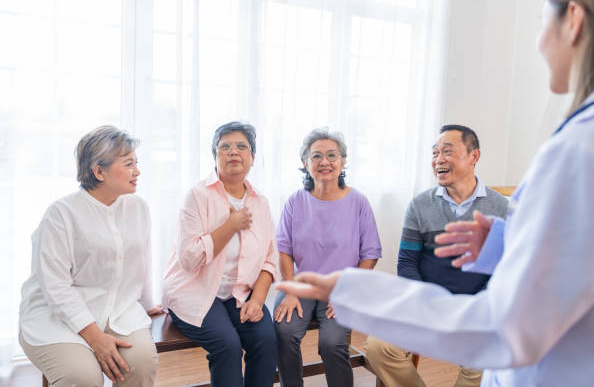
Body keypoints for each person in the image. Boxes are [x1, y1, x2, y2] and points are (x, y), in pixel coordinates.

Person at [277, 0, 594, 385]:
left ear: (573, 19)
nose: (539, 43)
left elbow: (505, 327)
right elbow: (581, 255)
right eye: (434, 151)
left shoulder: (583, 150)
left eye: (542, 19)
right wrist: (503, 244)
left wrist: (353, 290)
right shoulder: (590, 140)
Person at [366, 125, 508, 387]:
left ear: (474, 156)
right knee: (378, 347)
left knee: (485, 361)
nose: (438, 160)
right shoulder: (420, 204)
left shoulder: (502, 208)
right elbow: (407, 262)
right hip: (426, 306)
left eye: (447, 152)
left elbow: (505, 272)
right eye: (434, 153)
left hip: (474, 310)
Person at [19, 125, 159, 387]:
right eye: (129, 164)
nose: (137, 171)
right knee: (81, 377)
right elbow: (56, 287)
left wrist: (150, 303)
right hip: (57, 317)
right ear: (99, 171)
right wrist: (95, 337)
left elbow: (141, 261)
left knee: (141, 363)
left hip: (119, 311)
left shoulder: (138, 207)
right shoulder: (61, 214)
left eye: (136, 163)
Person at [162, 121, 278, 387]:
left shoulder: (261, 202)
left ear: (253, 157)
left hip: (239, 292)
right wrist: (230, 225)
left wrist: (258, 300)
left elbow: (270, 260)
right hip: (195, 290)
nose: (233, 152)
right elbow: (189, 259)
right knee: (227, 346)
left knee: (266, 340)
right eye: (224, 147)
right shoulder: (196, 195)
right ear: (215, 156)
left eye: (241, 147)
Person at [273, 127, 382, 387]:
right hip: (302, 283)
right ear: (305, 163)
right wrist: (289, 291)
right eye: (316, 156)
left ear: (343, 161)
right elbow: (284, 249)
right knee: (283, 332)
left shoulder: (358, 202)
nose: (324, 162)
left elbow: (370, 254)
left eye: (332, 155)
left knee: (332, 343)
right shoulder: (295, 202)